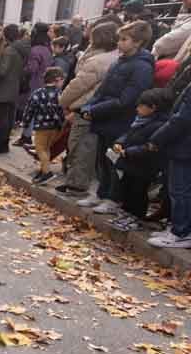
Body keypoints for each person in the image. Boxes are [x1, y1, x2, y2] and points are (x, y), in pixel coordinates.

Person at [76, 19, 155, 214]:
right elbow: (102, 90)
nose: (119, 43)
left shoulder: (142, 67)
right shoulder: (120, 61)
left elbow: (126, 100)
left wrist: (94, 110)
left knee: (114, 161)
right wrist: (89, 106)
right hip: (105, 118)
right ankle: (101, 193)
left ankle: (113, 198)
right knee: (102, 159)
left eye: (124, 39)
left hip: (121, 121)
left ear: (137, 42)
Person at [57, 22, 119, 197]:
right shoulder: (112, 57)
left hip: (85, 107)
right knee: (86, 148)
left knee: (80, 147)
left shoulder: (97, 61)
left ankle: (76, 184)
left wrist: (63, 100)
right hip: (95, 107)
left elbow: (79, 85)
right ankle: (77, 182)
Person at [110, 87, 173, 231]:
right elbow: (128, 134)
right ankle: (126, 213)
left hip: (145, 165)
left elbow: (150, 147)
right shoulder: (140, 120)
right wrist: (119, 143)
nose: (137, 108)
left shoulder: (159, 125)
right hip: (130, 162)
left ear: (153, 108)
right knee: (127, 187)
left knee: (138, 191)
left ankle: (136, 216)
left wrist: (129, 152)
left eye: (141, 105)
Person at [146, 75, 191, 248]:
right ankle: (180, 229)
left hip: (185, 145)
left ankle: (181, 232)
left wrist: (158, 138)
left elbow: (182, 118)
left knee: (180, 191)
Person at [0, 24, 28, 154]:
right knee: (8, 118)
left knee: (4, 118)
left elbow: (2, 71)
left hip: (3, 89)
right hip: (14, 87)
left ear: (6, 35)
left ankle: (1, 145)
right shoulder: (21, 49)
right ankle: (4, 144)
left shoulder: (9, 50)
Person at [20, 67, 66, 184]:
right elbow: (62, 110)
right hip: (55, 126)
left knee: (40, 149)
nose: (62, 83)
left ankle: (47, 173)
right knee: (47, 149)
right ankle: (43, 170)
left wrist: (25, 122)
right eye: (62, 81)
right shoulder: (59, 93)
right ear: (57, 80)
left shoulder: (38, 93)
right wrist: (62, 123)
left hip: (42, 126)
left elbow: (29, 109)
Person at [17, 23, 53, 147]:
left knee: (30, 112)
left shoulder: (35, 50)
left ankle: (26, 137)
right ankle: (29, 137)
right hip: (44, 83)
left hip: (34, 84)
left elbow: (31, 69)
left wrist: (22, 69)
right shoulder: (48, 49)